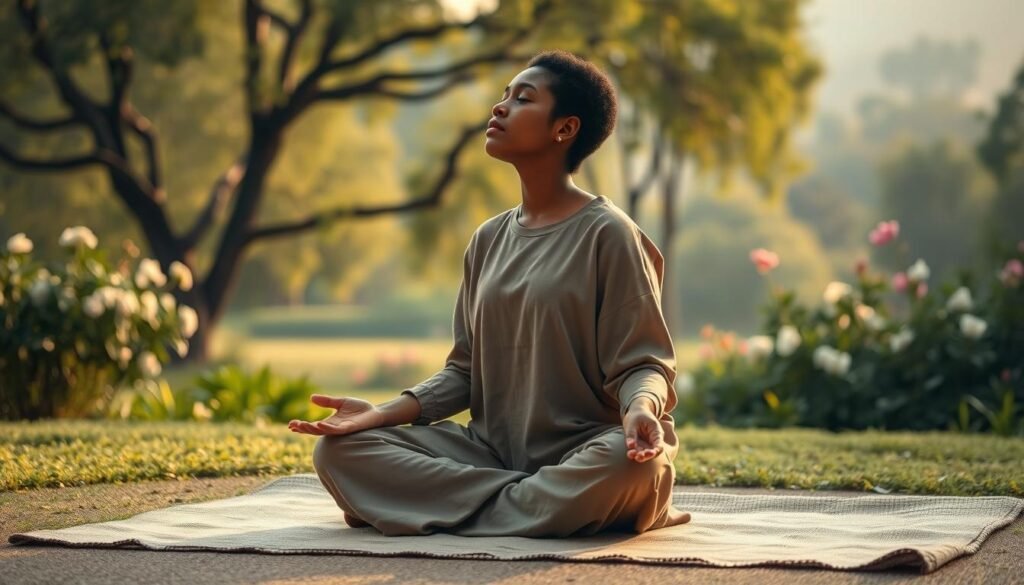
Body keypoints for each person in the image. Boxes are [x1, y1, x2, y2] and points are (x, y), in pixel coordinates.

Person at [288, 49, 692, 537]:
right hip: (492, 453)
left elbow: (643, 363)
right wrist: (380, 412)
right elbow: (463, 371)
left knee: (635, 468)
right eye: (503, 96)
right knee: (339, 449)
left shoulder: (609, 233)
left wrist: (642, 409)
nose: (500, 107)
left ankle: (454, 505)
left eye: (522, 99)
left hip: (588, 448)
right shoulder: (487, 239)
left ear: (564, 129)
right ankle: (538, 505)